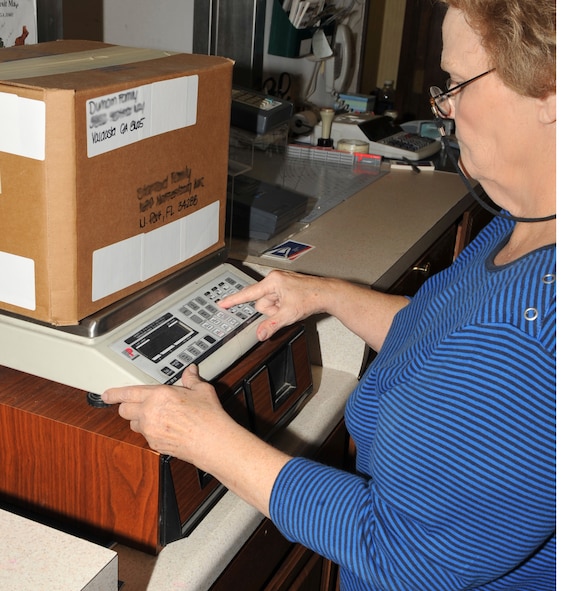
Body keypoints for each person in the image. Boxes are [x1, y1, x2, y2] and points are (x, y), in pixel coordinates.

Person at [102, 0, 556, 588]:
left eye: (456, 83)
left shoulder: (529, 329)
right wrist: (326, 295)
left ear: (550, 91)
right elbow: (445, 338)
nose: (443, 108)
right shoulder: (530, 223)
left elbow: (403, 555)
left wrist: (206, 440)